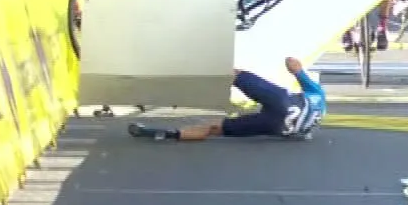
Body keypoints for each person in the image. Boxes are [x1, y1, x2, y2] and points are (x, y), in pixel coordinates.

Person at [129, 56, 326, 142]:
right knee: (216, 128)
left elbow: (295, 67)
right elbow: (299, 135)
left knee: (236, 75)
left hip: (283, 102)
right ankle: (167, 134)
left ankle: (186, 75)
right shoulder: (311, 126)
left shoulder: (318, 95)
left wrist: (290, 61)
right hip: (278, 125)